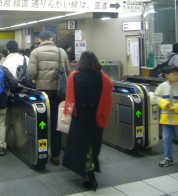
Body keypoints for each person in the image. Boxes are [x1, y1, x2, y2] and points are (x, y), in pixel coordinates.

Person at [62, 51, 113, 191]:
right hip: (96, 118)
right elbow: (108, 94)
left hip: (80, 118)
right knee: (93, 145)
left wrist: (67, 114)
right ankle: (90, 171)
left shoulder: (75, 76)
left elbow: (70, 97)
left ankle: (89, 176)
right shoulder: (103, 78)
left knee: (80, 146)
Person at [27, 31, 71, 165]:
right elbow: (68, 71)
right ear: (52, 38)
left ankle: (43, 150)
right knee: (57, 123)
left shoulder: (35, 52)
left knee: (43, 121)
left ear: (40, 40)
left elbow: (31, 73)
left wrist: (37, 79)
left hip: (43, 93)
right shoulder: (61, 52)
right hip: (59, 92)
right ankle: (56, 155)